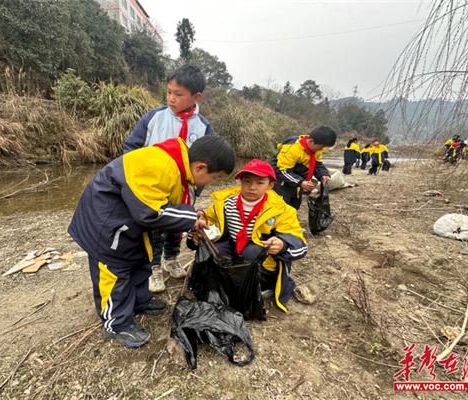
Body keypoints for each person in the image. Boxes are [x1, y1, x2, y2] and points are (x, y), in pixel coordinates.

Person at [68, 136, 235, 348]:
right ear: (201, 167)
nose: (211, 183)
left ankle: (139, 301)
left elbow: (164, 205)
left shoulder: (178, 166)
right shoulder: (160, 165)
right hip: (106, 227)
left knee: (140, 263)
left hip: (127, 225)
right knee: (115, 275)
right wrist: (191, 219)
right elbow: (150, 212)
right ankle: (116, 323)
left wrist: (190, 223)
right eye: (215, 177)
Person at [123, 65, 214, 293]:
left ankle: (171, 258)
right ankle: (153, 268)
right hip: (153, 187)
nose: (171, 98)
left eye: (178, 94)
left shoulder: (203, 128)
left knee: (177, 225)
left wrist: (196, 191)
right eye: (169, 92)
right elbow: (132, 147)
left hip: (184, 189)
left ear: (196, 96)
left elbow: (208, 163)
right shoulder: (154, 118)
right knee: (153, 226)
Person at [189, 160, 308, 312]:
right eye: (247, 182)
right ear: (240, 182)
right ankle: (226, 281)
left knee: (250, 252)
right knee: (215, 251)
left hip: (260, 261)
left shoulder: (281, 209)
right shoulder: (225, 203)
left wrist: (282, 244)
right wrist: (201, 230)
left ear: (270, 185)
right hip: (232, 245)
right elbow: (210, 221)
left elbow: (298, 242)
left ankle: (258, 286)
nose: (252, 187)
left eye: (260, 183)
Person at [270, 126, 337, 210]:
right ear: (311, 141)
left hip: (297, 181)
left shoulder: (316, 149)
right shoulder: (293, 148)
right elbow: (282, 171)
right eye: (321, 147)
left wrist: (323, 174)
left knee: (294, 205)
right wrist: (300, 182)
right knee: (281, 206)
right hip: (281, 181)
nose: (322, 150)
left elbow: (318, 164)